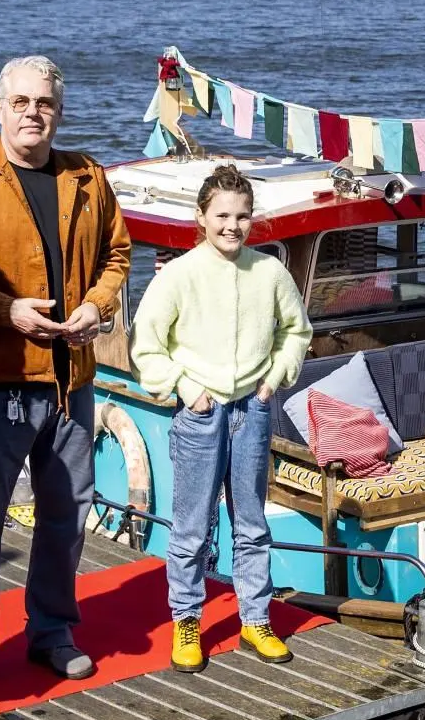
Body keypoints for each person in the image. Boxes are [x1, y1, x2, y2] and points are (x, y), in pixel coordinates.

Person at [0, 56, 131, 701]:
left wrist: (99, 303)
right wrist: (4, 310)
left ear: (58, 112)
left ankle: (52, 632)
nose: (32, 112)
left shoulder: (87, 177)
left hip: (72, 380)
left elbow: (117, 255)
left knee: (66, 517)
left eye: (44, 103)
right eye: (20, 102)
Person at [130, 164, 312, 672]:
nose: (233, 226)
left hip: (252, 410)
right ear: (202, 217)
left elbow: (296, 332)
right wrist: (188, 390)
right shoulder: (180, 276)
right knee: (191, 527)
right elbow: (147, 345)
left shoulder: (270, 272)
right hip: (201, 414)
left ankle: (255, 620)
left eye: (242, 216)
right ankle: (187, 620)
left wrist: (273, 380)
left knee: (252, 524)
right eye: (222, 215)